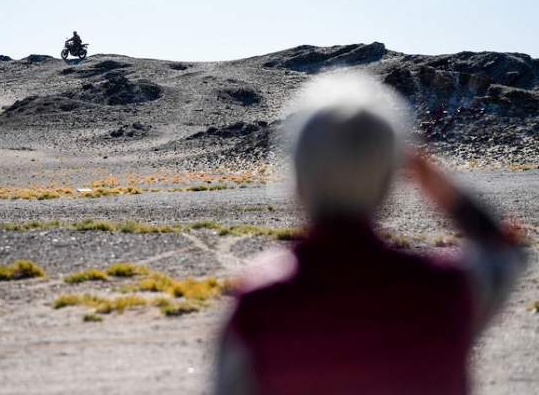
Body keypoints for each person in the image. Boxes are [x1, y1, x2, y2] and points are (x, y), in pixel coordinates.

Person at [214, 73, 524, 395]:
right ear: (390, 184)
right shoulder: (443, 292)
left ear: (298, 185)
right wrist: (431, 178)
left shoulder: (259, 308)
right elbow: (504, 254)